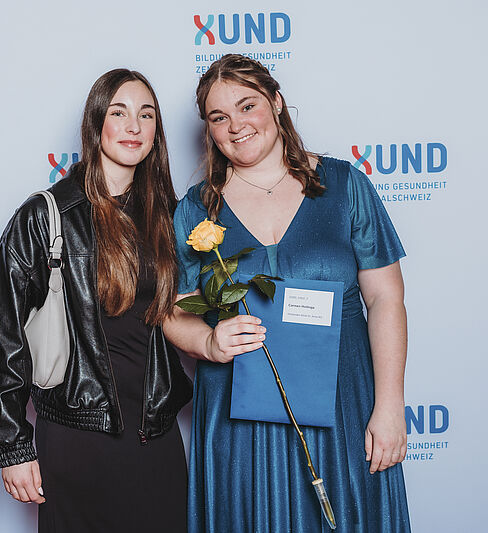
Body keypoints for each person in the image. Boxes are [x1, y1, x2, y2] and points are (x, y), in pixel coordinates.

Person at [163, 54, 411, 532]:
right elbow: (173, 311)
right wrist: (208, 342)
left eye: (247, 106)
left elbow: (386, 299)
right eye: (219, 117)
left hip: (343, 402)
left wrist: (389, 406)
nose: (236, 126)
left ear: (276, 102)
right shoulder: (196, 209)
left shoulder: (345, 185)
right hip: (239, 414)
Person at [0, 69, 192, 532]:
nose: (134, 126)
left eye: (146, 115)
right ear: (97, 123)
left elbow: (184, 314)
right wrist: (13, 446)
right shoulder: (46, 216)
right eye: (119, 112)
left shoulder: (172, 215)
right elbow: (5, 337)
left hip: (155, 434)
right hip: (78, 437)